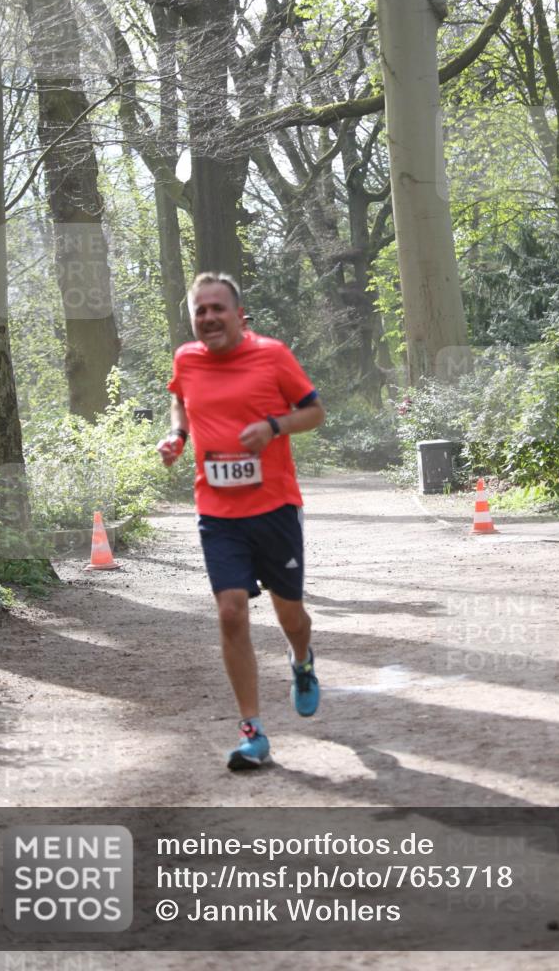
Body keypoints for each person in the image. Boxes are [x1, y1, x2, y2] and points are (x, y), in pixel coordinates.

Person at [157, 272, 325, 771]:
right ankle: (253, 732)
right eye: (200, 311)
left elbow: (314, 412)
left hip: (274, 508)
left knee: (290, 615)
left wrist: (274, 426)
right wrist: (177, 436)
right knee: (231, 612)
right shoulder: (187, 359)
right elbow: (180, 399)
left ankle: (302, 661)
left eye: (218, 309)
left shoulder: (272, 355)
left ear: (238, 314)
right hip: (217, 512)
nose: (209, 317)